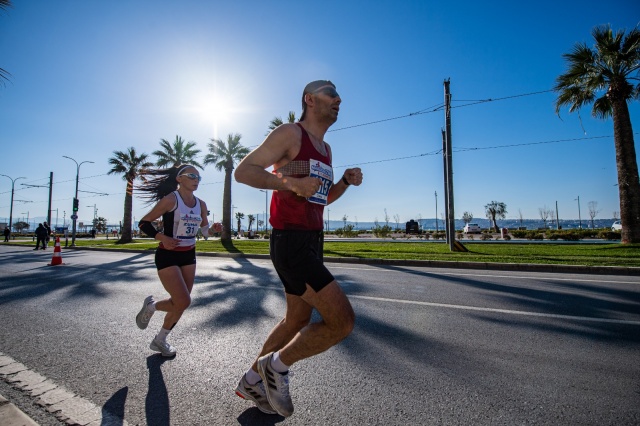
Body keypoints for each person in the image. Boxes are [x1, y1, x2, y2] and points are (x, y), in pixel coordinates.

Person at [233, 80, 363, 417]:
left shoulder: (325, 148)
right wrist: (289, 182)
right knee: (342, 322)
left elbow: (322, 197)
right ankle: (276, 367)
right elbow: (243, 171)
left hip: (312, 239)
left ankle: (251, 380)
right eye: (331, 93)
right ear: (310, 99)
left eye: (338, 95)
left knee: (296, 319)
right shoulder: (291, 133)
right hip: (290, 241)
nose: (339, 99)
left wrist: (344, 182)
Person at [134, 164, 209, 357]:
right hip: (168, 255)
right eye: (192, 175)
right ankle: (152, 307)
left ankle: (160, 340)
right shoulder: (170, 200)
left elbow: (206, 231)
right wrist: (162, 238)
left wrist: (216, 229)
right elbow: (144, 223)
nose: (196, 180)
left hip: (188, 255)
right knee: (183, 300)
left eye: (199, 178)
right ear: (179, 179)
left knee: (181, 303)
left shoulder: (201, 204)